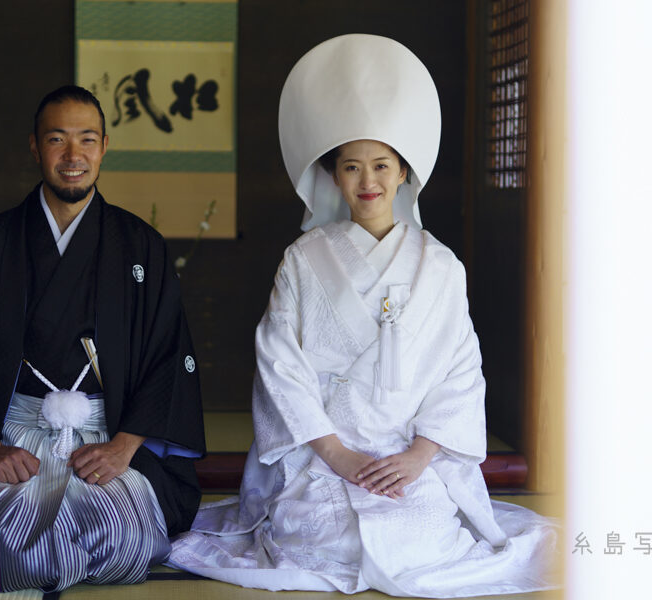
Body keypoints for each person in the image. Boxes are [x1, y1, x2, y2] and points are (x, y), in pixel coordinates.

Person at [166, 35, 557, 597]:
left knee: (422, 539)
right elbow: (279, 362)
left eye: (381, 165)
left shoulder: (441, 266)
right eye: (351, 167)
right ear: (333, 176)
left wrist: (420, 455)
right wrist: (337, 454)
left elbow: (461, 369)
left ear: (403, 174)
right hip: (322, 455)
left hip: (410, 455)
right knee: (321, 541)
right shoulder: (302, 260)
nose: (367, 182)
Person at [0, 85, 206, 593]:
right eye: (57, 140)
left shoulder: (141, 247)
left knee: (124, 539)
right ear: (34, 146)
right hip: (13, 432)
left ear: (105, 146)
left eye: (87, 140)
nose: (73, 156)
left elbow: (167, 355)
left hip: (106, 435)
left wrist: (125, 445)